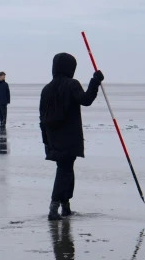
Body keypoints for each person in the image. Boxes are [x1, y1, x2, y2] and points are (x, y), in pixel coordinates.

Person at [40, 52, 104, 220]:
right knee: (64, 170)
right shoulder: (72, 84)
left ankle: (65, 206)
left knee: (66, 169)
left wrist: (45, 141)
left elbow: (42, 118)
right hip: (69, 136)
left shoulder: (46, 89)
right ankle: (54, 207)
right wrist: (95, 81)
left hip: (52, 136)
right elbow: (86, 99)